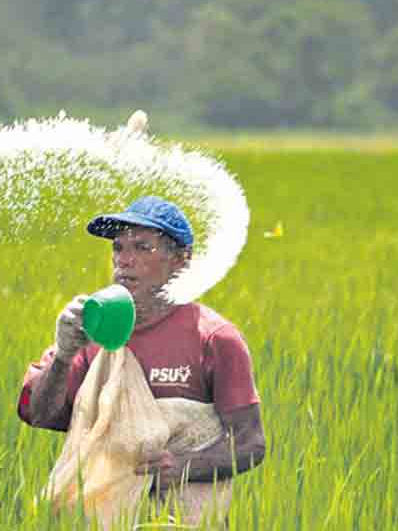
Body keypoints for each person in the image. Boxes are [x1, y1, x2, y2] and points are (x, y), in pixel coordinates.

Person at [18, 196, 266, 501]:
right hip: (98, 526)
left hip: (185, 528)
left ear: (180, 261)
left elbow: (249, 443)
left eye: (142, 247)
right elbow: (41, 415)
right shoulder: (92, 330)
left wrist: (184, 466)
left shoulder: (214, 339)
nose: (125, 259)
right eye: (119, 248)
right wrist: (63, 355)